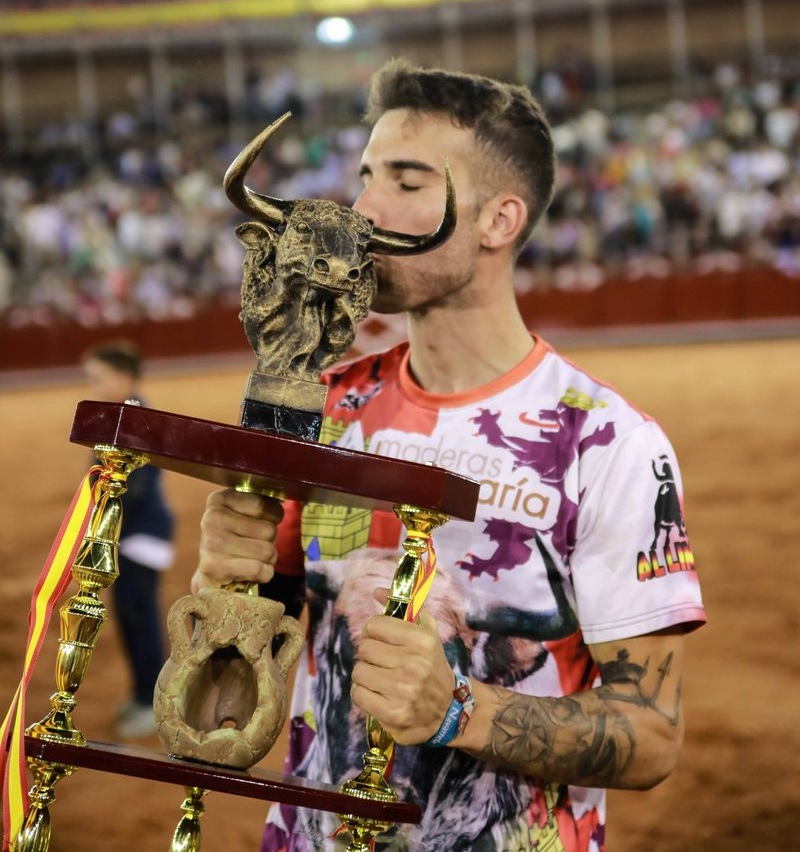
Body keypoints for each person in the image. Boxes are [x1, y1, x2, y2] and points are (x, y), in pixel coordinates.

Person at [193, 59, 706, 851]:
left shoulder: (608, 443)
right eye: (366, 176)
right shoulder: (321, 408)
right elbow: (224, 711)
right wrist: (223, 591)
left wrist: (457, 709)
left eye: (405, 180)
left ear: (499, 221)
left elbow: (652, 734)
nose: (361, 209)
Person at [81, 341, 175, 740]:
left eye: (98, 378)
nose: (94, 386)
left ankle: (155, 703)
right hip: (128, 535)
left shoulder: (136, 418)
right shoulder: (122, 417)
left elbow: (134, 488)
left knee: (142, 621)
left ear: (122, 378)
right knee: (130, 619)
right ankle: (141, 694)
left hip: (140, 535)